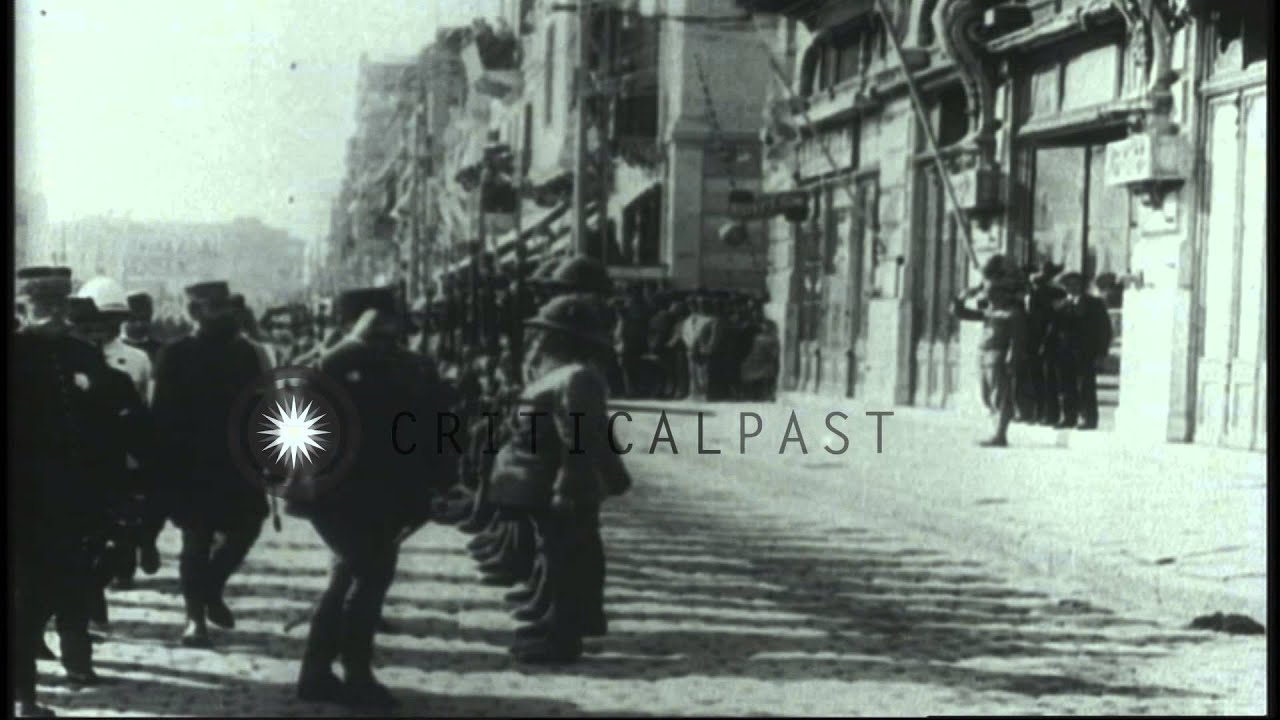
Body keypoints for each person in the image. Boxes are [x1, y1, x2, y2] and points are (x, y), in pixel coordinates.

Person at [289, 287, 453, 710]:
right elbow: (439, 428)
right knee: (368, 577)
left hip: (343, 493)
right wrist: (442, 481)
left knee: (349, 574)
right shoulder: (409, 366)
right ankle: (356, 677)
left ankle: (316, 673)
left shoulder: (327, 363)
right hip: (377, 493)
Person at [487, 294, 632, 663]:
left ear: (566, 337)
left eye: (547, 333)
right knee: (556, 554)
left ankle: (563, 639)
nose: (540, 339)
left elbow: (578, 437)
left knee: (567, 559)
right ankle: (560, 620)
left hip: (563, 483)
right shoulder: (564, 373)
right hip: (548, 480)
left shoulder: (577, 377)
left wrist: (567, 487)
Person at [12, 268, 118, 715]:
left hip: (73, 499)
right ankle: (25, 697)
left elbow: (106, 425)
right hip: (22, 500)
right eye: (42, 306)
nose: (53, 315)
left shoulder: (83, 356)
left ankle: (50, 676)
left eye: (59, 305)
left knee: (64, 587)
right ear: (23, 307)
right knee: (26, 598)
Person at [151, 281, 269, 647]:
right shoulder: (175, 354)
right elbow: (162, 415)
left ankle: (212, 586)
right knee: (196, 539)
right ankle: (195, 620)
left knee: (248, 526)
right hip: (192, 463)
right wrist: (162, 469)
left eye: (226, 306)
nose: (224, 314)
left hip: (239, 460)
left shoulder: (248, 353)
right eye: (214, 307)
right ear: (194, 312)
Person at [952, 257, 1028, 447]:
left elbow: (1017, 340)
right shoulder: (989, 313)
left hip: (998, 355)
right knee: (986, 396)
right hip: (983, 354)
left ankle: (1000, 434)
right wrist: (962, 297)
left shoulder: (1013, 313)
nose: (990, 297)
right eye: (989, 293)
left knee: (1000, 396)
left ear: (1003, 294)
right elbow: (959, 313)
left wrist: (1012, 359)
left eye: (993, 293)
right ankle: (996, 430)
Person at [1046, 271, 1113, 430]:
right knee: (1065, 384)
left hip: (1086, 351)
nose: (1071, 287)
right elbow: (1053, 330)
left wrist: (1102, 351)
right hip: (1065, 351)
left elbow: (1104, 329)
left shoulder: (1094, 304)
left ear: (1081, 285)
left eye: (1075, 283)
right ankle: (1068, 416)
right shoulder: (1061, 305)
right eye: (1067, 284)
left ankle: (1088, 418)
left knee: (1085, 385)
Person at [1024, 261, 1066, 426]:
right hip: (1031, 339)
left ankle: (1050, 414)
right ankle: (1038, 412)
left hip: (1047, 339)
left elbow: (1053, 320)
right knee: (1035, 377)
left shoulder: (1055, 293)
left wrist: (1045, 340)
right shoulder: (1028, 294)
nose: (1036, 282)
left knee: (1048, 378)